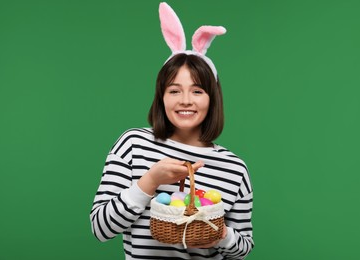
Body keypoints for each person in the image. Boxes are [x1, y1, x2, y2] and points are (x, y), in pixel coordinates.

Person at [90, 2, 254, 259]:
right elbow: (101, 228)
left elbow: (242, 249)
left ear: (212, 99)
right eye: (174, 90)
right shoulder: (133, 144)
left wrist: (220, 232)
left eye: (197, 91)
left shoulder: (234, 168)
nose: (185, 100)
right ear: (161, 97)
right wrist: (150, 181)